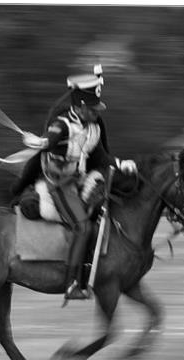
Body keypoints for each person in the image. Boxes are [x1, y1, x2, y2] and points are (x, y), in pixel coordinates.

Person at [12, 65, 137, 302]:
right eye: (93, 109)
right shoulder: (62, 124)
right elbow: (49, 141)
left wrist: (122, 164)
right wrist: (36, 142)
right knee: (83, 226)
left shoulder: (94, 127)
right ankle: (72, 283)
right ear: (80, 107)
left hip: (78, 181)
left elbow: (101, 158)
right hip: (59, 184)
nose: (96, 113)